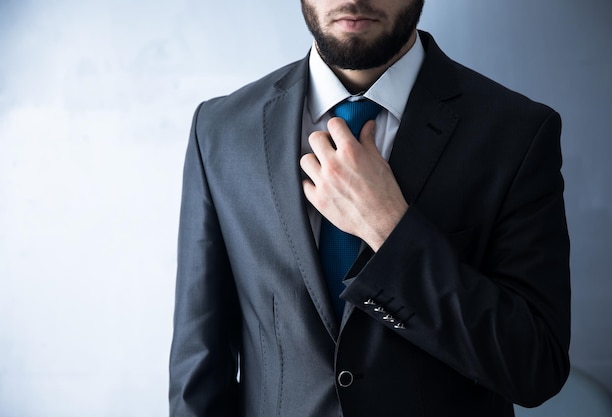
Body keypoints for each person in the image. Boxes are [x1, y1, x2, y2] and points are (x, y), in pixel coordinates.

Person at [169, 0, 571, 416]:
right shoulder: (220, 131)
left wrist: (389, 228)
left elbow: (535, 368)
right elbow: (199, 368)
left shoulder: (517, 133)